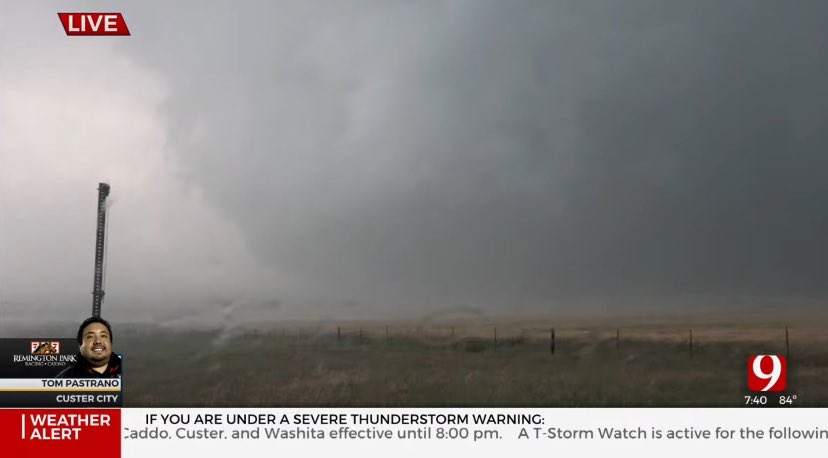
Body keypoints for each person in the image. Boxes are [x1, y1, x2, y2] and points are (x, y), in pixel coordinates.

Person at [56, 316, 121, 378]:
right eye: (90, 336)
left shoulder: (124, 370)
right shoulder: (64, 379)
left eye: (103, 336)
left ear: (110, 343)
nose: (98, 341)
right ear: (80, 345)